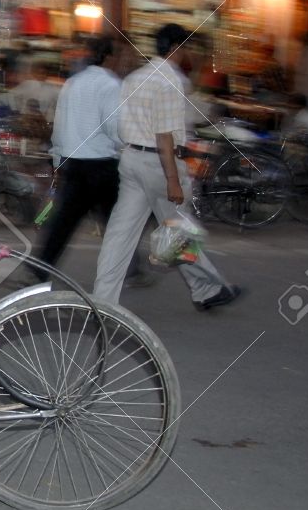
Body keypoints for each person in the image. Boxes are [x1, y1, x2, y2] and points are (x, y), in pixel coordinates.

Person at [92, 24, 241, 311]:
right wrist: (173, 181)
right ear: (175, 48)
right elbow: (165, 136)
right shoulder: (169, 80)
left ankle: (103, 301)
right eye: (186, 47)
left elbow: (120, 124)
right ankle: (207, 289)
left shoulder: (134, 78)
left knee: (119, 236)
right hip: (160, 164)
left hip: (132, 160)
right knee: (178, 232)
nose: (188, 54)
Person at [35, 36, 148, 284]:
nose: (122, 61)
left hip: (73, 161)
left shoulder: (73, 83)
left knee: (65, 221)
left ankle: (40, 267)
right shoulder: (111, 84)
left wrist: (57, 158)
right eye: (118, 55)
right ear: (108, 57)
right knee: (116, 220)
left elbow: (60, 123)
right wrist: (127, 144)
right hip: (101, 163)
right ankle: (130, 268)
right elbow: (113, 127)